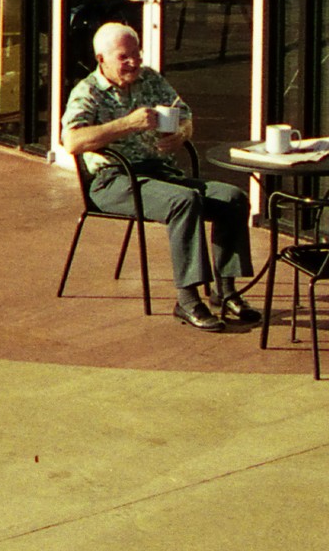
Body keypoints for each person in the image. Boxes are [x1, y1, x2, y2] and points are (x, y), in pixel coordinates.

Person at [61, 22, 253, 331]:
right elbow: (72, 141)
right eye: (124, 57)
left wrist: (180, 133)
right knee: (184, 201)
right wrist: (128, 124)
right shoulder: (88, 91)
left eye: (136, 54)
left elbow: (185, 113)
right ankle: (188, 300)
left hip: (159, 173)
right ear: (102, 59)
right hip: (113, 180)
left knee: (232, 197)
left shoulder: (148, 79)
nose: (134, 63)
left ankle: (226, 291)